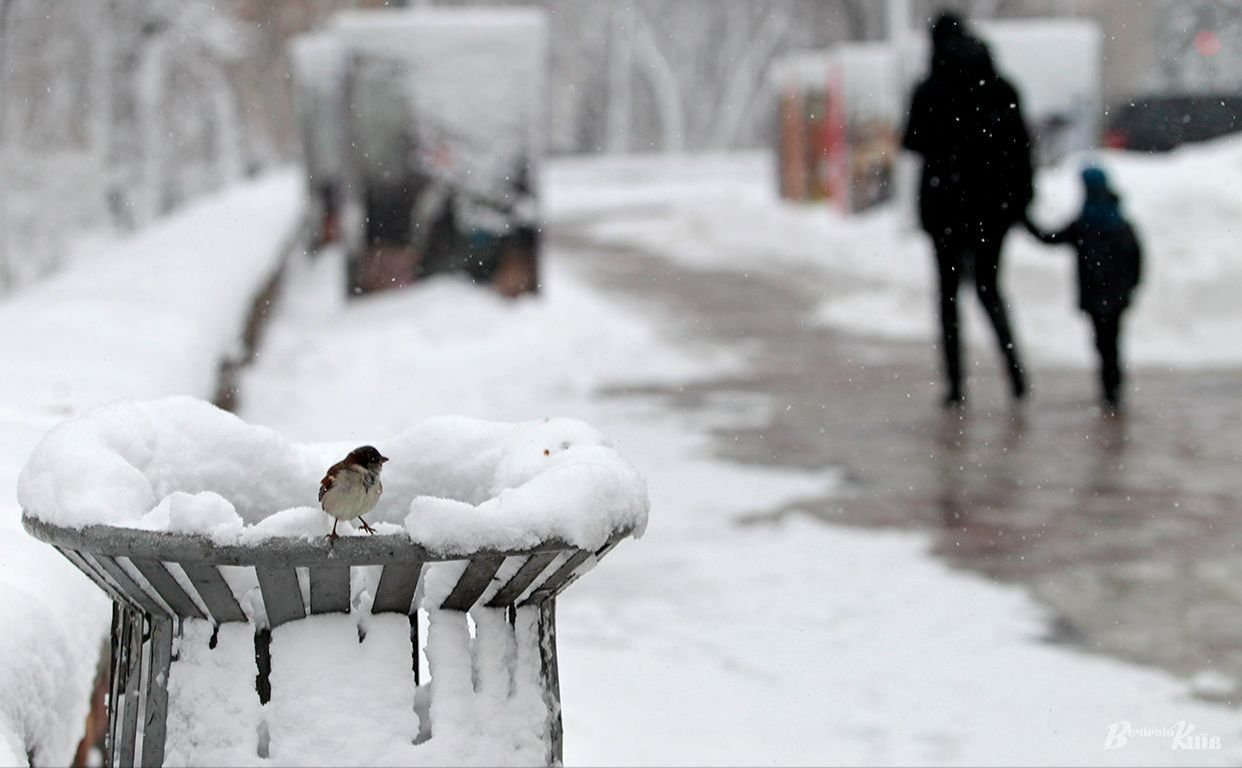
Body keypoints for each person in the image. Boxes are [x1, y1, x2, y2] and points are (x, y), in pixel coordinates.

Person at [902, 12, 1034, 407]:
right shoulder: (1000, 86)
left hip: (945, 209)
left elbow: (912, 142)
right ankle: (1015, 373)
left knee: (948, 298)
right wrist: (1021, 201)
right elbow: (1022, 150)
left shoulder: (929, 89)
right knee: (990, 289)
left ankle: (956, 385)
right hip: (992, 209)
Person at [1024, 167, 1143, 409]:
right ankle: (1113, 390)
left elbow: (1049, 238)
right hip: (1114, 296)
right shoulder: (1119, 223)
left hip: (1097, 295)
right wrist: (1129, 288)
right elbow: (1136, 260)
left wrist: (1022, 218)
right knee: (1111, 342)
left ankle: (1110, 390)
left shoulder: (1085, 223)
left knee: (1102, 343)